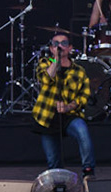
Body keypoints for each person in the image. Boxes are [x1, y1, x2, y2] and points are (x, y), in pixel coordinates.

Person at [31, 32, 95, 178]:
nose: (60, 46)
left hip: (70, 116)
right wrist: (56, 60)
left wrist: (69, 106)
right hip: (47, 117)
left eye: (64, 43)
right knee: (54, 163)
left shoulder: (79, 71)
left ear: (70, 48)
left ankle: (88, 171)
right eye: (56, 44)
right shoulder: (44, 63)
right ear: (52, 49)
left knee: (82, 131)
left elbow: (84, 96)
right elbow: (46, 79)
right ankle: (59, 184)